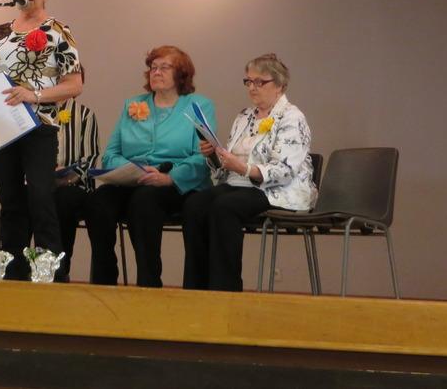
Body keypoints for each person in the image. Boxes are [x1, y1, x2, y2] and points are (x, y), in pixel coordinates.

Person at [0, 0, 83, 280]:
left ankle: (52, 274)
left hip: (40, 126)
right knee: (10, 202)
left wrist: (33, 95)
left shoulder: (58, 31)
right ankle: (14, 275)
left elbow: (75, 84)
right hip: (3, 127)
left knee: (40, 197)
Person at [182, 53, 316, 292]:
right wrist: (213, 155)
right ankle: (196, 288)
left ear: (279, 85)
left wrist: (244, 168)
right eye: (248, 81)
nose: (252, 87)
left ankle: (225, 289)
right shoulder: (244, 116)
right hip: (238, 183)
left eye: (259, 82)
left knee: (225, 206)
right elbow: (226, 165)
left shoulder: (292, 117)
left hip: (278, 190)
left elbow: (285, 170)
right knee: (195, 204)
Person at [86, 45, 214, 287]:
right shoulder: (133, 104)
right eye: (153, 67)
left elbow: (202, 157)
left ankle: (149, 282)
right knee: (98, 201)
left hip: (176, 183)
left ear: (181, 74)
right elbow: (111, 155)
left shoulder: (198, 105)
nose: (156, 72)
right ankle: (104, 282)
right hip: (134, 179)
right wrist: (133, 169)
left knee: (144, 200)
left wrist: (170, 178)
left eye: (164, 67)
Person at [52, 72, 100, 283]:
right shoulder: (35, 112)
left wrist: (66, 177)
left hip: (74, 186)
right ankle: (20, 269)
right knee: (24, 199)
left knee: (64, 199)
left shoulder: (84, 115)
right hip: (40, 183)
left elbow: (91, 158)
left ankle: (59, 271)